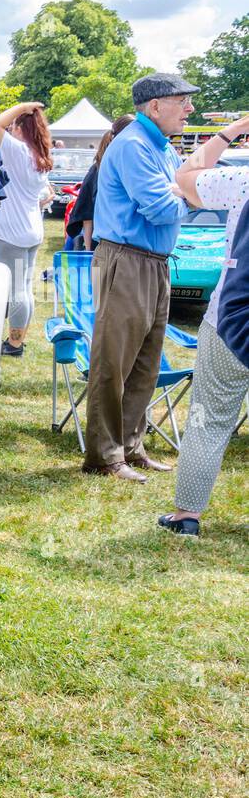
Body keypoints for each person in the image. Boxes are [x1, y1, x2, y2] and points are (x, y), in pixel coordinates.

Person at [81, 72, 197, 482]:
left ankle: (130, 446)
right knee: (113, 361)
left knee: (145, 363)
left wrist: (181, 192)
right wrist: (185, 194)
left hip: (152, 262)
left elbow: (184, 190)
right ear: (154, 106)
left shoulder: (160, 148)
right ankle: (104, 455)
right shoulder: (133, 146)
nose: (190, 109)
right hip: (125, 261)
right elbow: (163, 209)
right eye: (182, 101)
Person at [156, 111, 249, 534]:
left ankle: (187, 514)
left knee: (209, 419)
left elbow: (186, 175)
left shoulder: (241, 181)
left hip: (235, 320)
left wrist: (232, 131)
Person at [0, 101, 53, 357]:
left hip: (11, 232)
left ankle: (14, 345)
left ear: (22, 128)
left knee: (16, 291)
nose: (10, 129)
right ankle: (17, 340)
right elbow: (45, 196)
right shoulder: (40, 157)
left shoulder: (17, 151)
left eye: (14, 126)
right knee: (24, 288)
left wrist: (22, 106)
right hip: (31, 228)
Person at [66, 114, 134, 251]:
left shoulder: (131, 169)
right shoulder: (98, 171)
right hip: (104, 246)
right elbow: (87, 214)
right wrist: (89, 250)